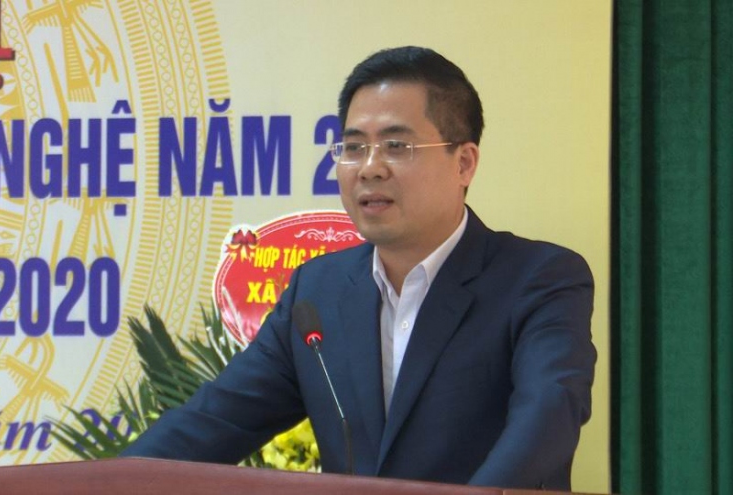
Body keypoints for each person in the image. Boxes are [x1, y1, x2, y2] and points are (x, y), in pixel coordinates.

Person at [122, 46, 596, 491]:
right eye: (353, 147)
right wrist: (104, 484)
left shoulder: (538, 279)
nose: (369, 168)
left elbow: (548, 417)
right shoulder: (318, 291)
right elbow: (213, 423)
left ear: (464, 163)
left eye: (396, 146)